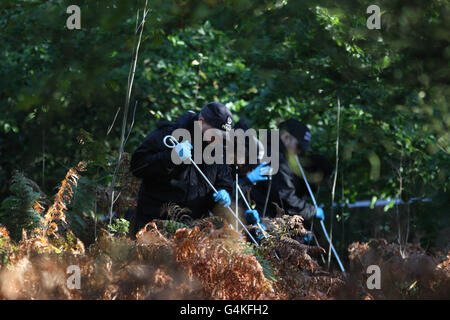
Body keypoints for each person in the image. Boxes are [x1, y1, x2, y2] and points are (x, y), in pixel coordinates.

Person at [129, 102, 234, 235]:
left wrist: (224, 192)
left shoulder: (218, 150)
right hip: (154, 228)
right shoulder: (168, 134)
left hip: (192, 234)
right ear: (201, 122)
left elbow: (224, 181)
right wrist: (170, 156)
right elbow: (137, 166)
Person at [252, 119, 329, 223]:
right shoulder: (274, 157)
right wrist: (312, 211)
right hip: (265, 221)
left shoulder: (277, 154)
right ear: (286, 138)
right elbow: (285, 199)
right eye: (298, 146)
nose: (299, 152)